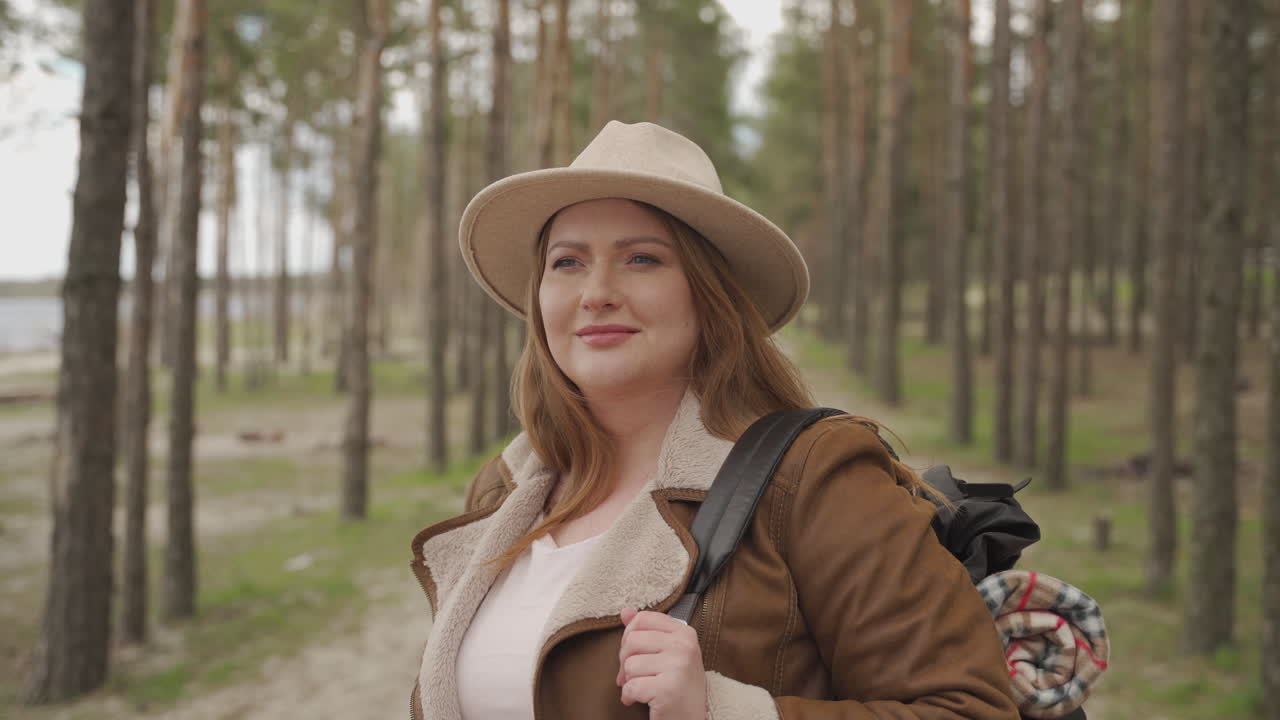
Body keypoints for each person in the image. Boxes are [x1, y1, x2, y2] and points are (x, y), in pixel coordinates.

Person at [409, 121, 1019, 720]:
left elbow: (970, 709)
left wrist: (719, 712)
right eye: (567, 262)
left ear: (709, 293)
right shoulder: (506, 490)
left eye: (641, 258)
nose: (596, 293)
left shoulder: (814, 476)